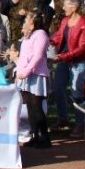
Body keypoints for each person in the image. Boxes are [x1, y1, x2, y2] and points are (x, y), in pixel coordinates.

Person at [50, 0, 85, 138]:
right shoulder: (65, 20)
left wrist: (63, 56)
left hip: (77, 62)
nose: (63, 7)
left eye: (66, 5)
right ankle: (63, 119)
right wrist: (49, 41)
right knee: (57, 88)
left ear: (74, 7)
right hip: (63, 60)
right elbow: (59, 36)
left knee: (76, 92)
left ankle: (80, 124)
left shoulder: (84, 24)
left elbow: (82, 48)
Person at [12, 10, 51, 148]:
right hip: (25, 76)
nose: (23, 23)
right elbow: (24, 57)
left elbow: (38, 56)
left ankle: (44, 137)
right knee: (29, 107)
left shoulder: (40, 35)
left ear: (32, 23)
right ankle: (34, 135)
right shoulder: (28, 36)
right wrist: (19, 71)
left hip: (36, 75)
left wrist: (27, 71)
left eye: (26, 20)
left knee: (37, 107)